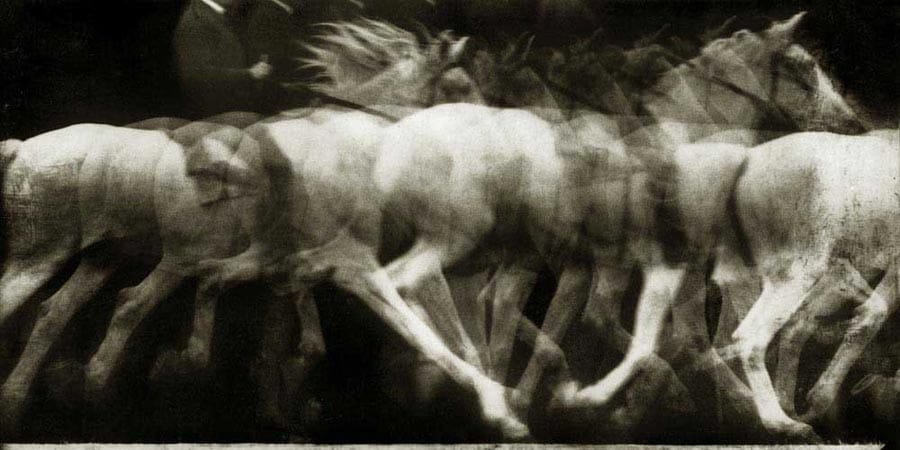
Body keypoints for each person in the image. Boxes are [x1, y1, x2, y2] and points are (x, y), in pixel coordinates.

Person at [173, 0, 276, 116]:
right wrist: (250, 74)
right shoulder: (197, 20)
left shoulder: (213, 13)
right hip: (216, 114)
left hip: (231, 110)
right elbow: (197, 74)